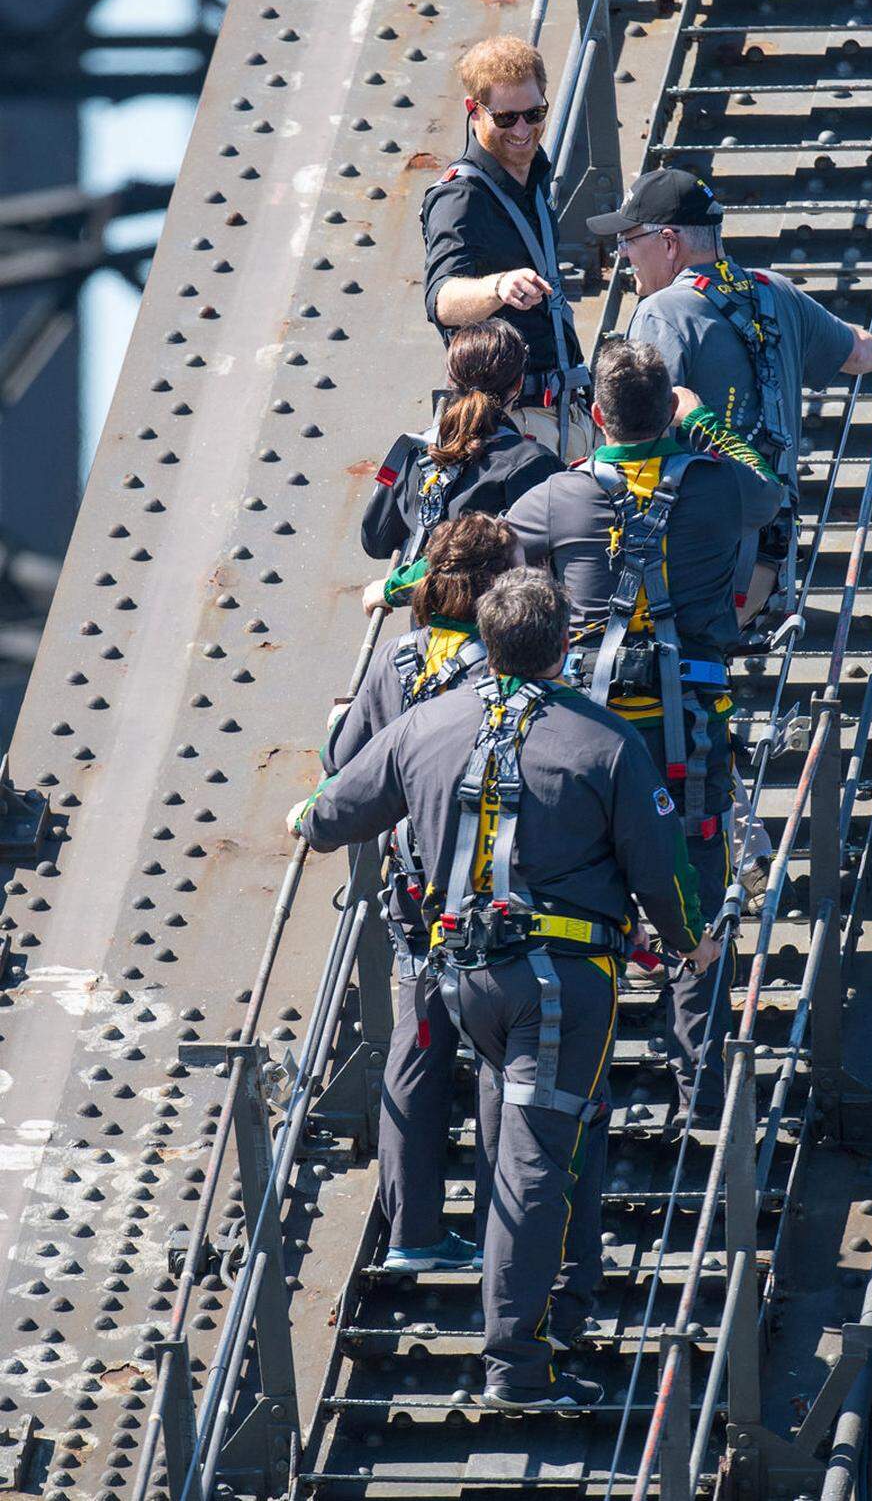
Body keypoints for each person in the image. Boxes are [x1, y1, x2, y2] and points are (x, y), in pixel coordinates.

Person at [290, 569, 719, 1412]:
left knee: (517, 1138)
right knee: (532, 1162)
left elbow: (329, 811)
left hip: (458, 980)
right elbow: (662, 871)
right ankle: (516, 1368)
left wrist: (303, 816)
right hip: (558, 988)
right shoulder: (603, 742)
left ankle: (538, 1313)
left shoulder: (426, 723)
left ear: (487, 640)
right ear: (565, 645)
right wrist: (689, 945)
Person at [505, 339, 782, 1126]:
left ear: (596, 417)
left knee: (584, 899)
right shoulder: (722, 487)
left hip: (586, 742)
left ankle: (571, 1090)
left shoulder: (559, 498)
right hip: (685, 739)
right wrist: (702, 426)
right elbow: (769, 485)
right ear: (669, 409)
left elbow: (493, 550)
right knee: (698, 897)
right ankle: (700, 1098)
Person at [312, 516, 521, 1276]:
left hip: (413, 890)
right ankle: (507, 1235)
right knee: (507, 1058)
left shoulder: (395, 660)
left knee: (420, 1047)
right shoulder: (499, 669)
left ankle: (415, 1229)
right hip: (491, 891)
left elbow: (345, 763)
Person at [587, 168, 872, 619]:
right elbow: (857, 351)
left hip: (689, 550)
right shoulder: (773, 290)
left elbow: (640, 431)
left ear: (668, 242)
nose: (623, 255)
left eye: (629, 240)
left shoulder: (660, 313)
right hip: (766, 554)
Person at [422, 35, 594, 461]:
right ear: (474, 112)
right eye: (505, 118)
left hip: (563, 413)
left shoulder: (533, 180)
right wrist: (497, 287)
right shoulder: (460, 197)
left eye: (534, 114)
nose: (522, 130)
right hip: (512, 425)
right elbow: (440, 299)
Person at [358, 320, 559, 612]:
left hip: (431, 637)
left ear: (451, 380)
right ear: (517, 386)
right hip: (504, 633)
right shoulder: (534, 464)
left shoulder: (415, 451)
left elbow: (376, 539)